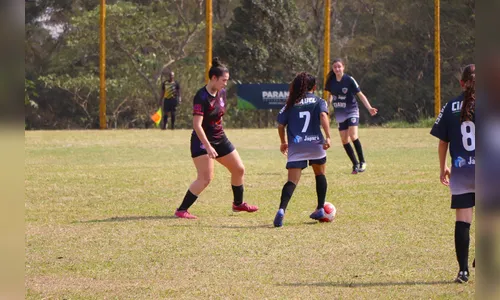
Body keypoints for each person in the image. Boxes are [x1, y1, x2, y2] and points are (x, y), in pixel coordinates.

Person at [174, 58, 258, 219]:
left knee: (239, 169)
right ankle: (181, 209)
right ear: (213, 78)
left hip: (220, 138)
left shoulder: (222, 93)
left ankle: (238, 204)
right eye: (223, 80)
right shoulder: (201, 96)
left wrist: (219, 137)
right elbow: (197, 125)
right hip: (202, 141)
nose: (226, 83)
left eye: (227, 80)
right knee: (206, 178)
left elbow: (218, 116)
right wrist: (208, 145)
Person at [430, 64, 475, 283]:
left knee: (463, 221)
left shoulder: (450, 106)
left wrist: (443, 168)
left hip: (461, 170)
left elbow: (442, 143)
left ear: (461, 83)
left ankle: (463, 271)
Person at [273, 72, 331, 227]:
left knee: (291, 181)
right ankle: (320, 208)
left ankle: (281, 210)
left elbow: (280, 125)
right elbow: (324, 117)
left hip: (297, 146)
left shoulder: (290, 103)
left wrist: (283, 142)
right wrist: (328, 136)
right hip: (315, 144)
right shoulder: (319, 101)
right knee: (320, 173)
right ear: (314, 87)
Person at [324, 58, 378, 174]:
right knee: (344, 140)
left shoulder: (349, 80)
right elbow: (330, 96)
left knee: (353, 136)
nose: (337, 69)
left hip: (352, 111)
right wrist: (326, 108)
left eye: (339, 66)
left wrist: (369, 108)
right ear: (333, 69)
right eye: (335, 67)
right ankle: (355, 164)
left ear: (343, 67)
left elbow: (360, 94)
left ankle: (362, 162)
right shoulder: (330, 81)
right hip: (340, 113)